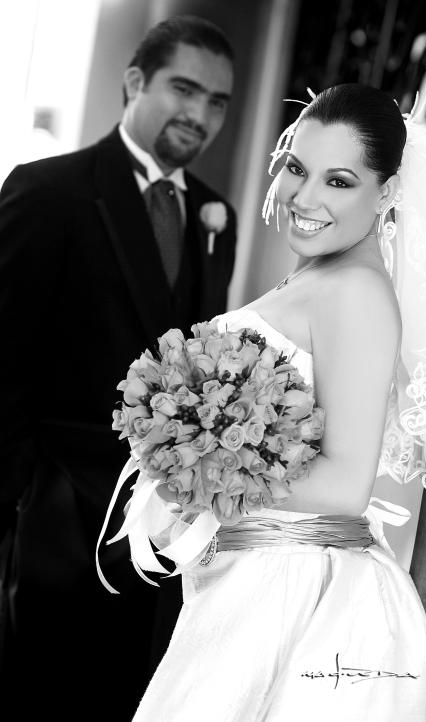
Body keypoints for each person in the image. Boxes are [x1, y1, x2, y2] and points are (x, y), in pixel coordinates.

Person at [121, 83, 426, 721]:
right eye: (296, 168)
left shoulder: (357, 293)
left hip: (302, 598)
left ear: (387, 193)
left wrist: (197, 465)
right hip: (258, 577)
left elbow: (345, 483)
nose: (304, 198)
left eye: (339, 181)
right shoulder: (323, 275)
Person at [0, 15, 236, 722]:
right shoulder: (48, 191)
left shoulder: (212, 213)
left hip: (160, 534)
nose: (199, 114)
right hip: (55, 517)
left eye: (218, 101)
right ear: (136, 82)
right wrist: (21, 503)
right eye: (184, 88)